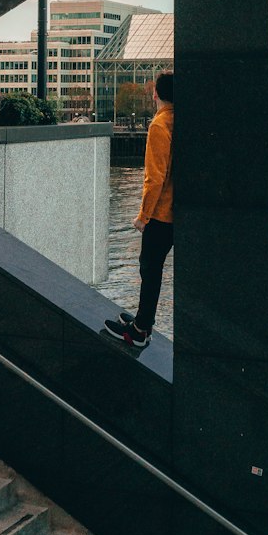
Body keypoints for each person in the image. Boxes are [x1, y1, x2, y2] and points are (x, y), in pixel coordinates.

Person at [103, 72, 173, 349]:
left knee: (150, 268)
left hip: (162, 213)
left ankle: (140, 330)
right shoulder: (180, 119)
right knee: (153, 268)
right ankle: (143, 319)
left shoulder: (159, 124)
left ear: (155, 93)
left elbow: (154, 177)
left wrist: (143, 217)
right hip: (180, 211)